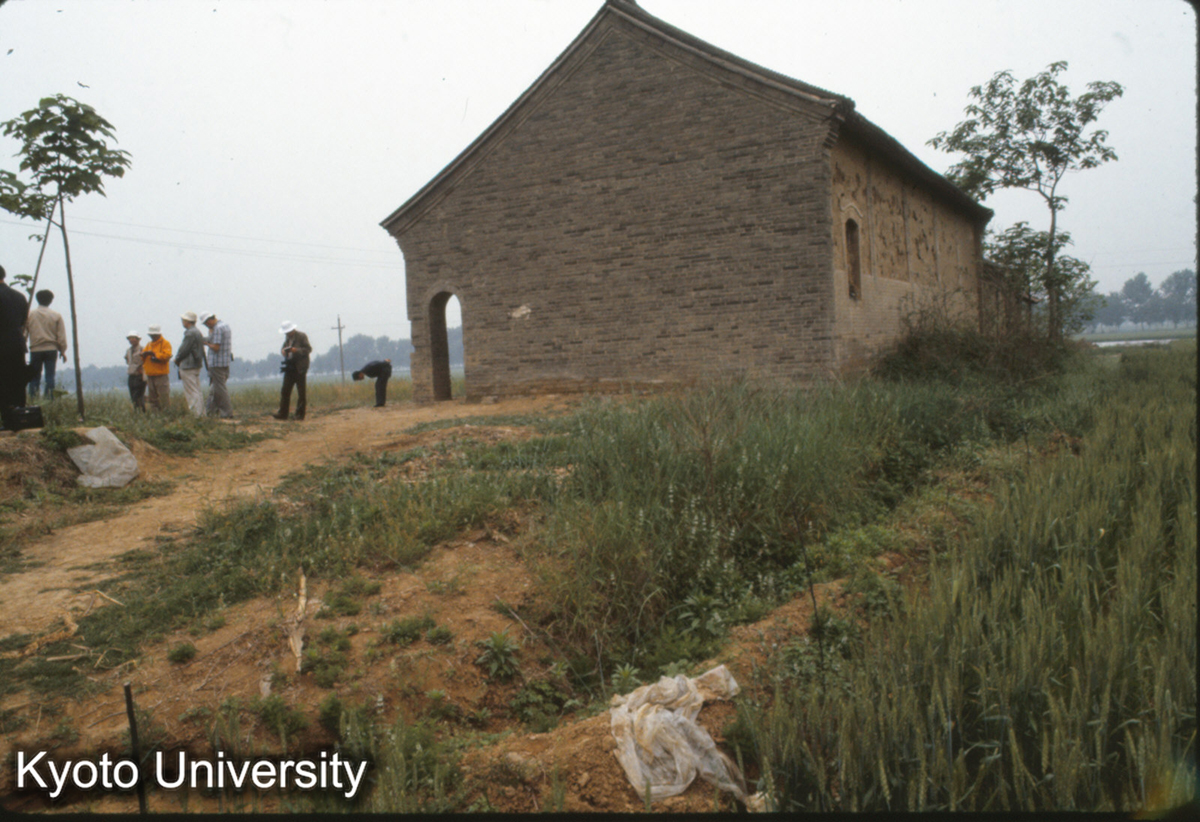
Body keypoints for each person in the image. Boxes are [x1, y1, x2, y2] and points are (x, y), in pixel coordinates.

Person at [24, 289, 67, 400]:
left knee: (34, 377)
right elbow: (61, 336)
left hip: (35, 349)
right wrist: (62, 350)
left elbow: (24, 333)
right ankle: (49, 400)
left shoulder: (30, 315)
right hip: (51, 349)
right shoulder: (56, 315)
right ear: (51, 301)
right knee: (50, 377)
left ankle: (33, 400)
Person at [0, 265, 29, 417]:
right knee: (17, 382)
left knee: (2, 383)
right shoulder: (19, 296)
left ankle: (5, 417)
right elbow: (23, 320)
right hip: (17, 344)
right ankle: (21, 418)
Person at [273, 321, 311, 421]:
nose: (287, 334)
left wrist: (296, 350)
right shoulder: (287, 338)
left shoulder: (302, 336)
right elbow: (284, 348)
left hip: (300, 368)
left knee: (301, 392)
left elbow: (308, 349)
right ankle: (283, 413)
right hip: (290, 367)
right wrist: (283, 351)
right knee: (285, 390)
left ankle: (300, 415)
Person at [200, 311, 233, 418]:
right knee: (215, 388)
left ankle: (226, 412)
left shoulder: (217, 329)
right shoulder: (225, 326)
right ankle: (210, 410)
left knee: (220, 389)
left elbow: (216, 347)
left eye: (206, 324)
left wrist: (207, 344)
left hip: (216, 363)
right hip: (224, 361)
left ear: (209, 320)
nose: (207, 326)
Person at [174, 311, 205, 416]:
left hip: (188, 365)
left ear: (187, 321)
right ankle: (201, 413)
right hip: (196, 365)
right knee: (197, 390)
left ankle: (196, 414)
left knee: (191, 392)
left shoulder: (190, 333)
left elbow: (184, 349)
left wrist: (177, 358)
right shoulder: (197, 332)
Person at [140, 324, 172, 412]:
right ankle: (155, 415)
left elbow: (167, 356)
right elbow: (142, 357)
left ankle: (167, 414)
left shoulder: (165, 343)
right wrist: (143, 355)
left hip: (161, 375)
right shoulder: (149, 344)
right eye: (151, 335)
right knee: (153, 398)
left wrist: (154, 354)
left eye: (153, 334)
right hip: (150, 375)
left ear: (158, 334)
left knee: (163, 396)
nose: (152, 336)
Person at [124, 330, 146, 411]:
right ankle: (137, 412)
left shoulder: (142, 349)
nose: (131, 340)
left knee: (138, 396)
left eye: (133, 338)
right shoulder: (128, 350)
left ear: (138, 339)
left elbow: (146, 361)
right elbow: (127, 360)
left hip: (139, 375)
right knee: (133, 396)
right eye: (129, 339)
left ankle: (142, 411)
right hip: (131, 375)